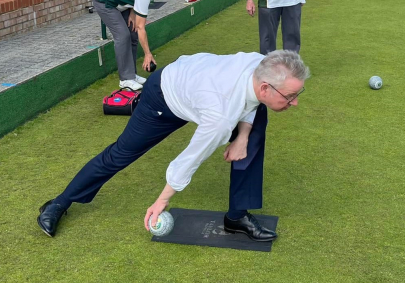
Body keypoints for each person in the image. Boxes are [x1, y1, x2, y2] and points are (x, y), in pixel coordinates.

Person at [37, 50, 310, 241]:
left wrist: (243, 137)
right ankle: (59, 203)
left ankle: (237, 216)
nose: (295, 102)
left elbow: (250, 102)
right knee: (121, 154)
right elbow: (190, 158)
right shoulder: (221, 115)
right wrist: (162, 200)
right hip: (165, 97)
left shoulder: (261, 64)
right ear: (266, 88)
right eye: (290, 97)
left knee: (253, 132)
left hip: (202, 90)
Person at [93, 0, 183, 91]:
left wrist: (132, 12)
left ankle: (131, 75)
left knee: (133, 33)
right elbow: (142, 27)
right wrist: (148, 54)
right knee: (123, 36)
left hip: (122, 2)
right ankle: (125, 80)